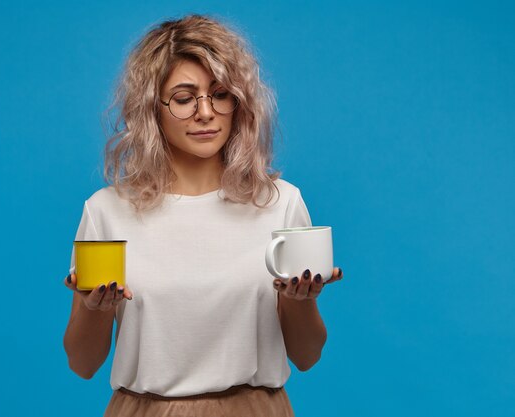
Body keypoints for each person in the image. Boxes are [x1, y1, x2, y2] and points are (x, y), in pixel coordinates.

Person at [62, 13, 344, 417]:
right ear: (151, 109)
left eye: (221, 94)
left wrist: (301, 300)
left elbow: (307, 355)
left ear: (238, 102)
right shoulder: (107, 211)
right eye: (183, 98)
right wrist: (95, 308)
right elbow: (82, 363)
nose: (206, 112)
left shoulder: (279, 202)